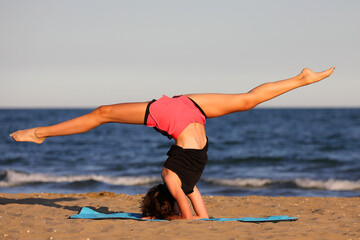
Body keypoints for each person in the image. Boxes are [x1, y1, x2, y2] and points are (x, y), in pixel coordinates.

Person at [10, 67, 335, 220]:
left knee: (103, 114)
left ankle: (41, 133)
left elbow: (195, 211)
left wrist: (194, 220)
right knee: (248, 100)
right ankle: (301, 79)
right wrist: (196, 221)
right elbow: (195, 212)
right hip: (184, 110)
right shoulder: (180, 179)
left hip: (183, 117)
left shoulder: (182, 179)